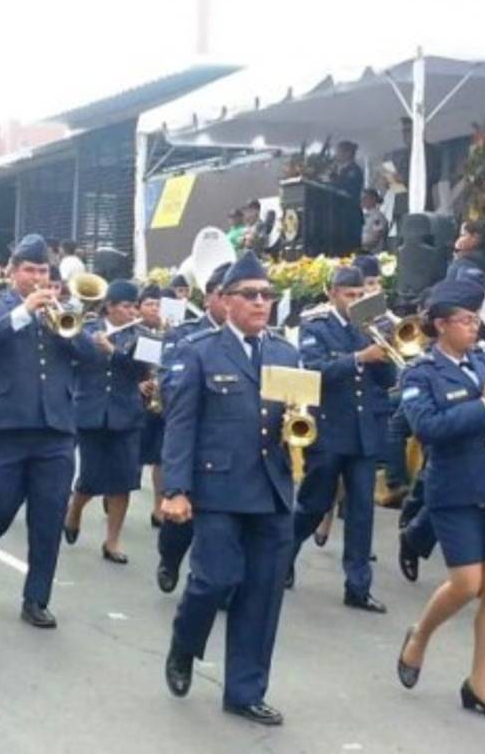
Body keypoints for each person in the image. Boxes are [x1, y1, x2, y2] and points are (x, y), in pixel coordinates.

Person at [161, 251, 299, 726]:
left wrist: (304, 428)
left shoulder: (286, 353)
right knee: (214, 580)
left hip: (272, 489)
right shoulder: (199, 351)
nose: (261, 303)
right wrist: (176, 488)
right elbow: (180, 425)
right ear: (224, 300)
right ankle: (185, 644)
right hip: (218, 487)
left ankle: (244, 691)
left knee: (262, 595)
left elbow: (301, 418)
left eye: (267, 295)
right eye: (250, 295)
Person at [0, 234, 100, 628]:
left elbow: (90, 357)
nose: (38, 277)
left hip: (54, 428)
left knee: (48, 515)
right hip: (3, 426)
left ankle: (36, 598)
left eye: (43, 271)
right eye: (30, 270)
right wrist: (23, 312)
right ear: (12, 271)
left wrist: (66, 330)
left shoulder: (60, 313)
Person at [396, 278, 485, 721]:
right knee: (467, 584)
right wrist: (484, 406)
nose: (475, 328)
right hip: (455, 488)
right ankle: (420, 634)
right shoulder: (419, 373)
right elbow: (428, 428)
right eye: (467, 321)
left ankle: (480, 683)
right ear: (441, 325)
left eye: (476, 320)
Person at [287, 266, 395, 612]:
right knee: (313, 503)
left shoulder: (374, 326)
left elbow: (388, 377)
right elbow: (316, 369)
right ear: (332, 293)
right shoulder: (316, 325)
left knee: (362, 510)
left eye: (360, 295)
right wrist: (360, 358)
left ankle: (358, 587)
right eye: (349, 295)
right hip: (331, 428)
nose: (356, 301)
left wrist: (385, 350)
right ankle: (283, 557)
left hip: (365, 430)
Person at [155, 264, 228, 593]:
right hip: (197, 441)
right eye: (225, 296)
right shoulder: (183, 334)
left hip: (235, 449)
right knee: (182, 521)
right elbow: (170, 385)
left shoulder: (263, 340)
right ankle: (169, 559)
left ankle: (217, 584)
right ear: (212, 297)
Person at [63, 280, 145, 563]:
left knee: (123, 481)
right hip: (91, 411)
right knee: (91, 476)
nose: (132, 312)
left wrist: (114, 351)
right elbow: (71, 358)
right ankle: (75, 508)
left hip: (127, 414)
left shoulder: (143, 334)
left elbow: (143, 370)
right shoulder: (85, 329)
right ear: (109, 306)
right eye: (126, 306)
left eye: (135, 306)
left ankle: (112, 541)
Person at [136, 284, 167, 525]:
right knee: (132, 457)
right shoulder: (135, 332)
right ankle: (115, 491)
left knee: (160, 457)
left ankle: (158, 508)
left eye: (158, 304)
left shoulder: (171, 332)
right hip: (136, 403)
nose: (154, 308)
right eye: (149, 304)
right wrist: (138, 385)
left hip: (161, 401)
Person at [446, 220, 485, 286]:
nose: (460, 239)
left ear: (476, 238)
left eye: (464, 235)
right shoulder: (466, 259)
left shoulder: (469, 263)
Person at [361, 189, 389, 254]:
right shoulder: (364, 216)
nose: (362, 201)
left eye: (365, 198)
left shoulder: (377, 217)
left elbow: (375, 237)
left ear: (373, 199)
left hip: (371, 253)